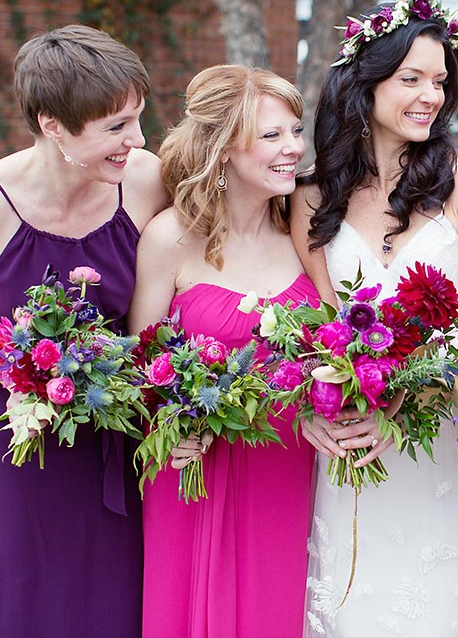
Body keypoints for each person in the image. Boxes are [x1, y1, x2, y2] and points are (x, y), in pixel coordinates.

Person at [0, 25, 167, 637]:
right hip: (15, 435)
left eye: (138, 119)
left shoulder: (145, 180)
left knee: (104, 593)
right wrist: (25, 366)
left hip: (115, 428)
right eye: (115, 126)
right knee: (7, 590)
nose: (135, 140)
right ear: (51, 123)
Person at [290, 0, 458, 637]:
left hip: (447, 439)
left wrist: (410, 407)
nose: (430, 96)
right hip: (355, 446)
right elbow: (319, 332)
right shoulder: (310, 194)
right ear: (366, 81)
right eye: (410, 78)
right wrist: (317, 407)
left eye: (440, 80)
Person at [128, 64, 318, 638]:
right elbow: (141, 365)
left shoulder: (306, 233)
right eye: (271, 135)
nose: (292, 149)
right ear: (224, 148)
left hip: (291, 463)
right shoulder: (171, 238)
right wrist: (168, 424)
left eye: (294, 131)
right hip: (197, 467)